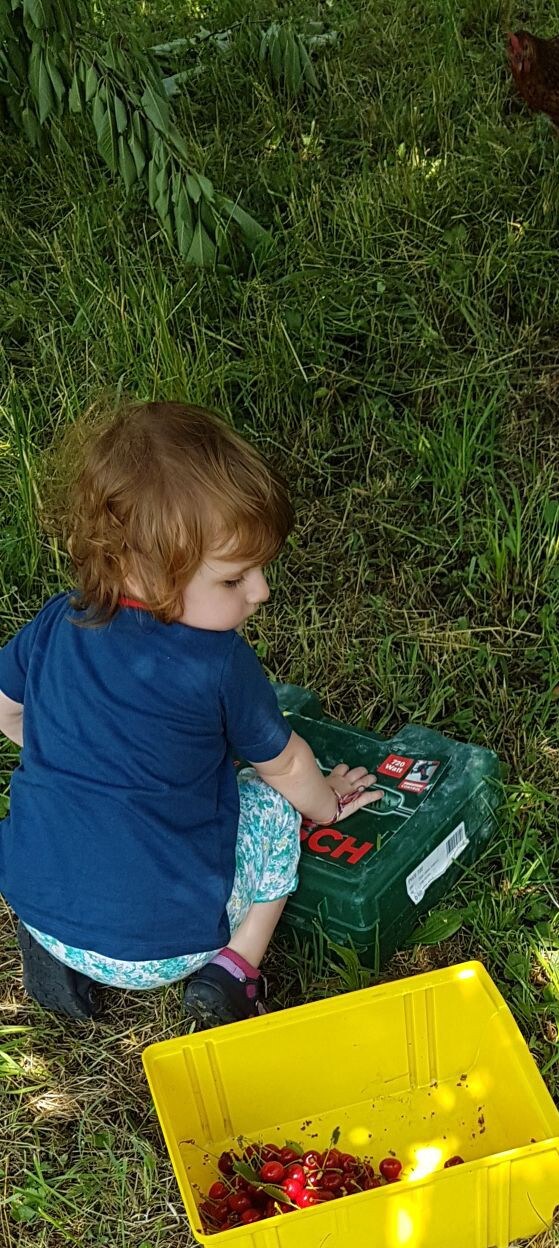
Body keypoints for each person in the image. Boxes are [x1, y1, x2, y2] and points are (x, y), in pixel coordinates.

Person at [0, 400, 379, 1028]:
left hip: (33, 899)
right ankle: (235, 970)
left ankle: (51, 952)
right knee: (268, 802)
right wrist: (325, 803)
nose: (260, 591)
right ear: (140, 568)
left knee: (50, 816)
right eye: (234, 580)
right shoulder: (219, 662)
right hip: (170, 943)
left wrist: (65, 752)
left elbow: (6, 709)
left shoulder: (57, 621)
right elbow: (285, 764)